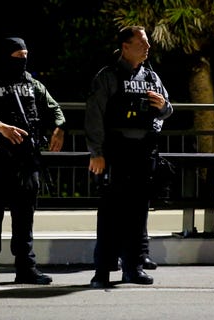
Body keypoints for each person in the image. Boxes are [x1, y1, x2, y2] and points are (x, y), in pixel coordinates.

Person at [0, 36, 66, 287]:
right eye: (17, 58)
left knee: (25, 218)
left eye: (25, 57)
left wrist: (59, 127)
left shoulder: (32, 84)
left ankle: (26, 268)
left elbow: (54, 109)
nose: (22, 62)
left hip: (26, 161)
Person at [85, 25, 173, 288]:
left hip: (143, 153)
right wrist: (97, 153)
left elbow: (167, 109)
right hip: (115, 152)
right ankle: (102, 271)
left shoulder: (151, 77)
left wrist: (163, 109)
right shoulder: (108, 76)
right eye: (142, 43)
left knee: (138, 214)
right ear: (126, 46)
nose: (147, 47)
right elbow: (94, 117)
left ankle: (133, 269)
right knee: (111, 214)